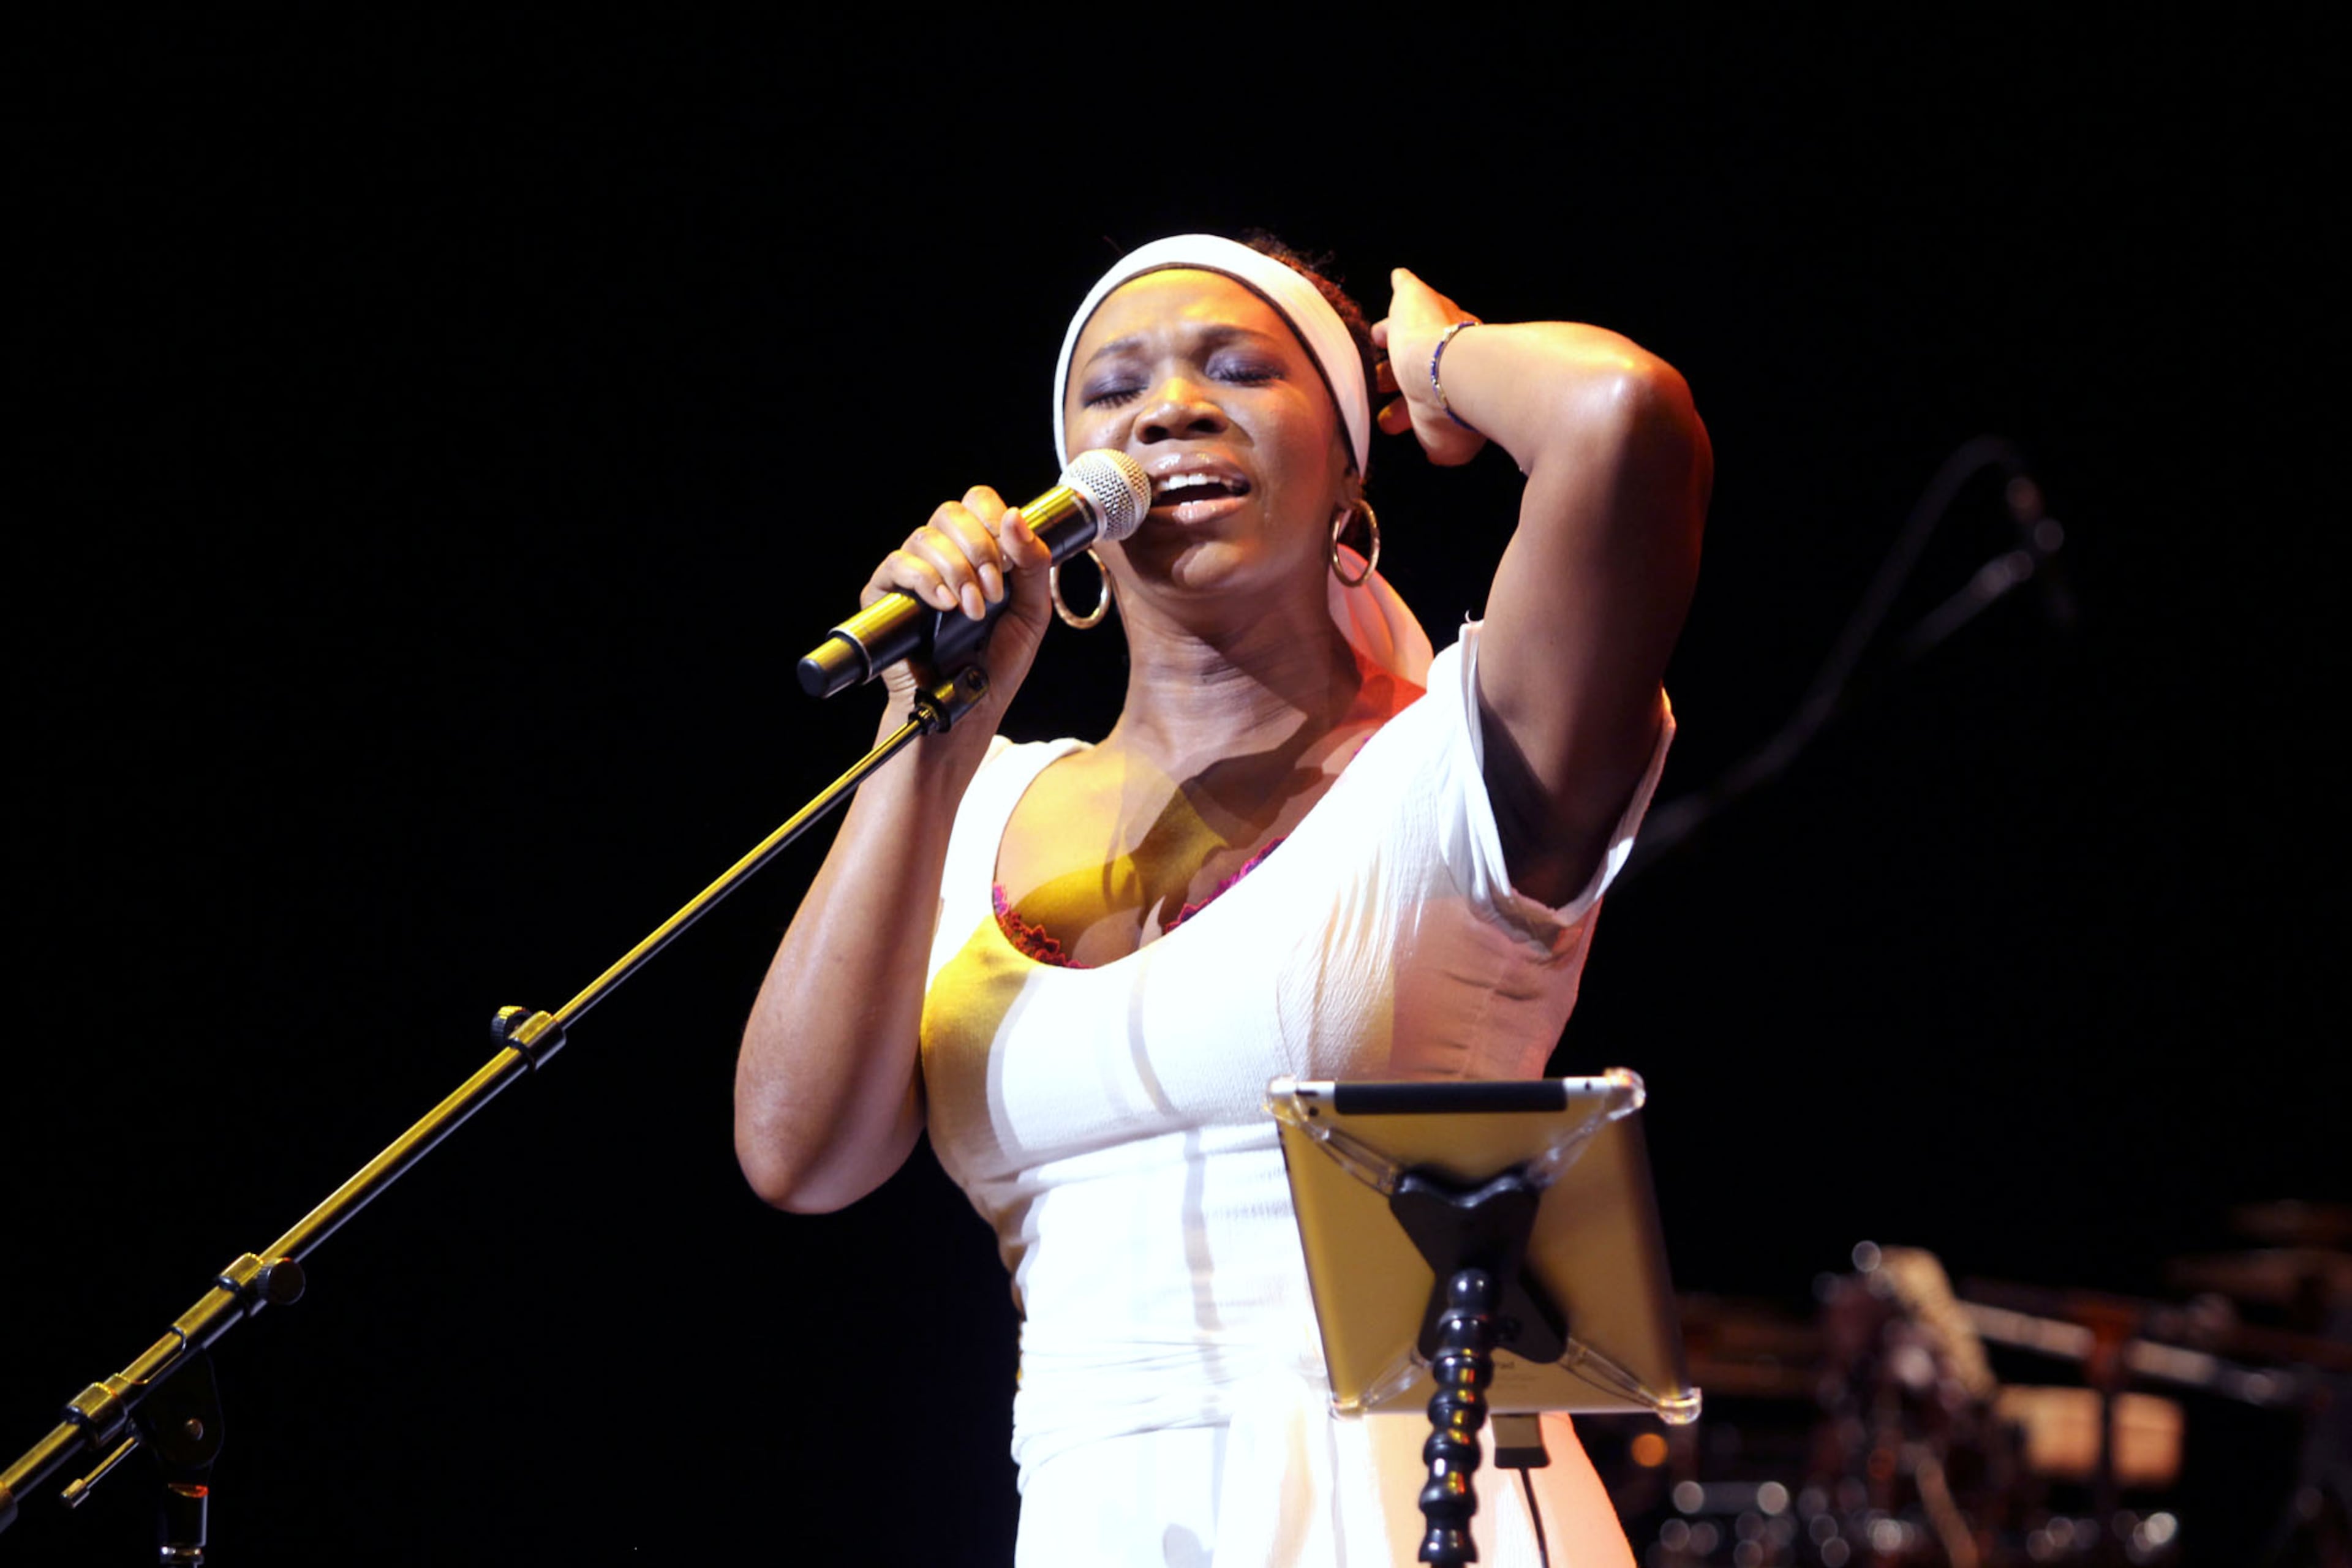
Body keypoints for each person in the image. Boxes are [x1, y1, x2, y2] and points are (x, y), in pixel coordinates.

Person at [734, 233, 1709, 1566]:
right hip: (1101, 1518)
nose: (1170, 408)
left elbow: (1625, 418)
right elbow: (797, 1153)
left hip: (1417, 1509)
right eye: (1114, 387)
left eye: (1240, 369)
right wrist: (929, 730)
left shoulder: (1455, 760)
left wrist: (1432, 362)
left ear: (1348, 465)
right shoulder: (976, 798)